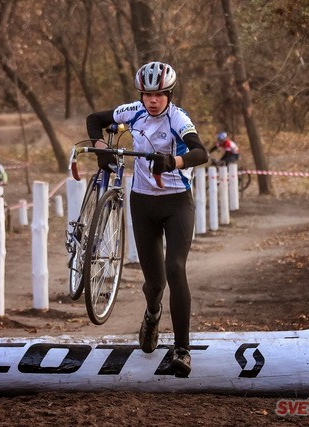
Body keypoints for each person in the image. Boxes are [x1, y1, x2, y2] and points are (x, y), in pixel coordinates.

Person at [86, 61, 208, 378]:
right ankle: (153, 313)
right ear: (141, 94)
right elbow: (94, 120)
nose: (152, 101)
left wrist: (173, 161)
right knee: (155, 284)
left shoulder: (178, 119)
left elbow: (201, 153)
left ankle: (182, 351)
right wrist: (100, 146)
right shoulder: (132, 111)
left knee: (175, 268)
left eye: (159, 95)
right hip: (143, 204)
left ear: (169, 94)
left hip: (177, 203)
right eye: (147, 94)